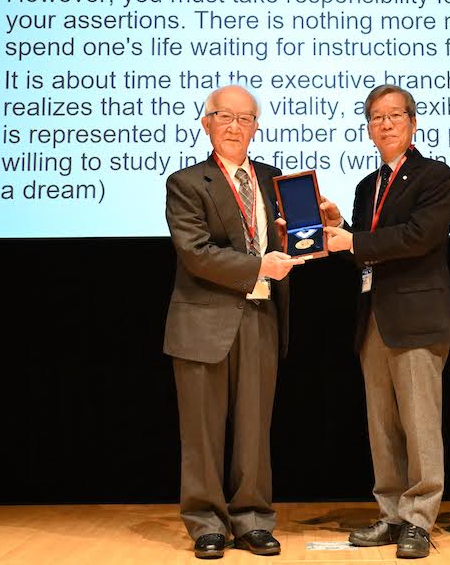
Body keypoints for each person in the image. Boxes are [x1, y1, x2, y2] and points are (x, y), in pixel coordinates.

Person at [163, 85, 303, 559]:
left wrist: (315, 224)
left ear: (256, 128)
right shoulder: (186, 183)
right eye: (225, 117)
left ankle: (253, 520)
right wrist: (259, 265)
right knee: (201, 432)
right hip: (204, 323)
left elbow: (293, 235)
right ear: (207, 123)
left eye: (245, 119)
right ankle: (206, 523)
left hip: (261, 315)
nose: (234, 127)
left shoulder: (272, 179)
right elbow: (196, 253)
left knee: (253, 429)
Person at [323, 84, 450, 559]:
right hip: (373, 317)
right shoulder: (367, 186)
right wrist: (341, 229)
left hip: (417, 316)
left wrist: (354, 241)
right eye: (376, 117)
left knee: (420, 423)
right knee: (382, 425)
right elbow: (362, 255)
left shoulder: (435, 175)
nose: (385, 124)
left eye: (394, 115)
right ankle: (391, 514)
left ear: (413, 123)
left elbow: (421, 237)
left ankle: (420, 519)